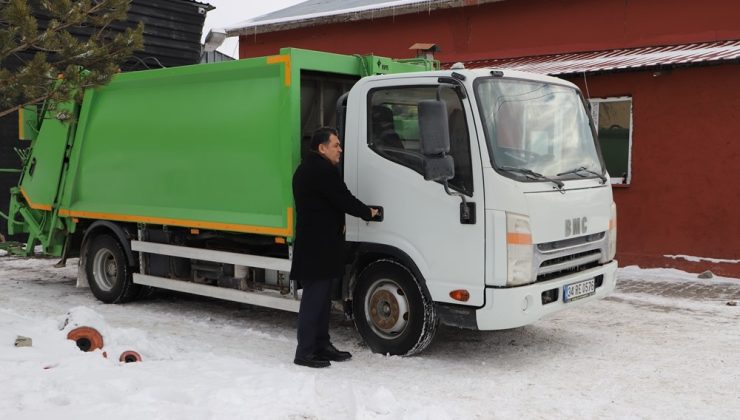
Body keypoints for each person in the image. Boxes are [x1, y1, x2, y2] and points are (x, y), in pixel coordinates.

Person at [290, 126, 379, 368]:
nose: (340, 149)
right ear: (322, 148)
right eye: (336, 145)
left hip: (318, 245)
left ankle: (321, 345)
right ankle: (305, 352)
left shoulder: (307, 168)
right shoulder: (322, 170)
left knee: (321, 299)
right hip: (318, 247)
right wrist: (368, 212)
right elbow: (344, 198)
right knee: (314, 299)